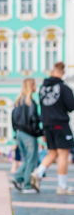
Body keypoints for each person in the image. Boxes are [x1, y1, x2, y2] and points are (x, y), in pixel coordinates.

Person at [31, 62, 74, 194]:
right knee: (63, 153)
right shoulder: (64, 88)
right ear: (61, 73)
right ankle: (62, 186)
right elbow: (71, 106)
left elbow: (42, 108)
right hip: (60, 123)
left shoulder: (42, 89)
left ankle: (38, 173)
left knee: (52, 152)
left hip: (47, 125)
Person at [11, 78, 43, 193]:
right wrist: (40, 132)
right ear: (31, 86)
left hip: (19, 133)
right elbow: (33, 120)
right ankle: (26, 185)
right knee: (32, 160)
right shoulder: (31, 102)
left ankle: (18, 177)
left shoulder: (18, 101)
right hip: (29, 134)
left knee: (26, 159)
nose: (36, 87)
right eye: (34, 84)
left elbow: (13, 119)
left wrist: (16, 132)